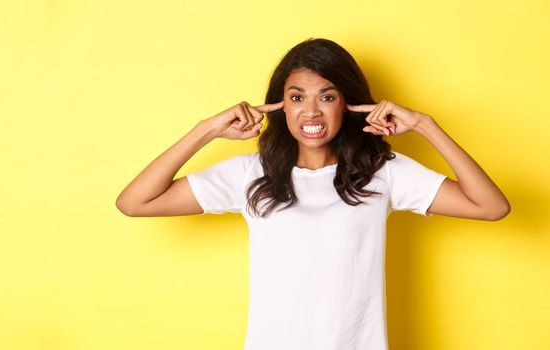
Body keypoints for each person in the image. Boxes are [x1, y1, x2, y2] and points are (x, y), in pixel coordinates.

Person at [115, 38, 510, 350]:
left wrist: (425, 124)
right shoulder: (250, 175)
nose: (311, 112)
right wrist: (207, 129)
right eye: (296, 97)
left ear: (348, 104)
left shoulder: (382, 173)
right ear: (279, 105)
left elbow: (491, 207)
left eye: (327, 96)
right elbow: (134, 202)